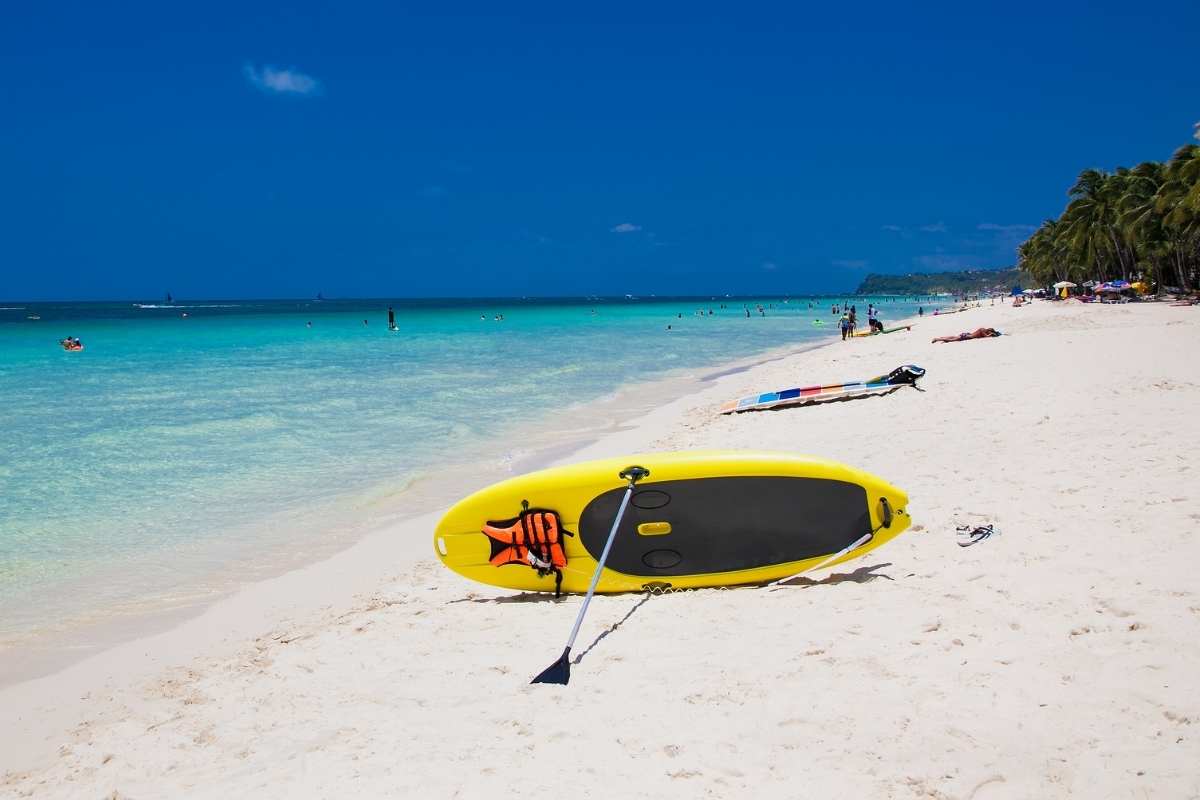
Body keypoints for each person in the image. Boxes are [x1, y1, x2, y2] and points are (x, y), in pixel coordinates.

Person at [932, 327, 1001, 343]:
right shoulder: (983, 331)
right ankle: (937, 339)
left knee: (954, 336)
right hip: (967, 336)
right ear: (989, 331)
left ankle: (942, 337)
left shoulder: (982, 329)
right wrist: (991, 334)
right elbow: (986, 336)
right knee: (952, 340)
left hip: (967, 334)